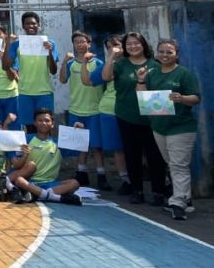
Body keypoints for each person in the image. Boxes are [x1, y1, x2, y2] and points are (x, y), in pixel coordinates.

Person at [101, 31, 168, 205]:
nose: (133, 46)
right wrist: (111, 58)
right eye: (129, 44)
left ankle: (158, 191)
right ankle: (137, 190)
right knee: (132, 155)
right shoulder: (121, 64)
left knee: (155, 156)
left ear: (143, 45)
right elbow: (105, 77)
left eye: (136, 43)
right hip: (126, 115)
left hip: (152, 118)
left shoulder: (155, 64)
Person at [138, 39, 201, 221]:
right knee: (172, 163)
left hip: (181, 127)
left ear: (176, 55)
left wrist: (181, 98)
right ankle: (185, 199)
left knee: (178, 165)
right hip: (159, 127)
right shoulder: (152, 73)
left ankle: (177, 203)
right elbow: (143, 96)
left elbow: (196, 98)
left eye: (169, 52)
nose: (165, 55)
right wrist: (141, 80)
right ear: (157, 53)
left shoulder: (184, 74)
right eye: (162, 52)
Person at [81, 35, 129, 192]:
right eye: (108, 47)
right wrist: (84, 63)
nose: (112, 49)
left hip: (133, 110)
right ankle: (125, 180)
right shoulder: (108, 65)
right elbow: (88, 81)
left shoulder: (135, 62)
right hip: (109, 110)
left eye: (115, 45)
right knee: (118, 148)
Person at [7, 108, 82, 205]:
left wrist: (80, 132)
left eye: (47, 121)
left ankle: (36, 194)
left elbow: (81, 148)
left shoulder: (59, 143)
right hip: (30, 182)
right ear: (34, 123)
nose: (43, 123)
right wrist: (20, 158)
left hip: (50, 184)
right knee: (19, 180)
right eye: (40, 120)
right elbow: (9, 147)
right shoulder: (26, 139)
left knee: (74, 184)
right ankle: (52, 197)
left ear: (52, 124)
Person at [58, 31, 104, 186]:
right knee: (80, 145)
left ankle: (101, 174)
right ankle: (82, 172)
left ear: (89, 43)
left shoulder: (98, 62)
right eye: (77, 41)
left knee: (97, 146)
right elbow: (63, 80)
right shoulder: (71, 63)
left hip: (95, 109)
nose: (80, 44)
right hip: (76, 109)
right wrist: (64, 62)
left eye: (83, 41)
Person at [2, 12, 59, 130]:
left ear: (38, 25)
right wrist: (7, 43)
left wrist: (49, 52)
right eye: (27, 24)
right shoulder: (17, 45)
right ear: (23, 26)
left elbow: (53, 71)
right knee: (30, 127)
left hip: (44, 92)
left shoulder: (50, 43)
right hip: (25, 93)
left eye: (33, 23)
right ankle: (32, 148)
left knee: (46, 127)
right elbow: (6, 66)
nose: (30, 26)